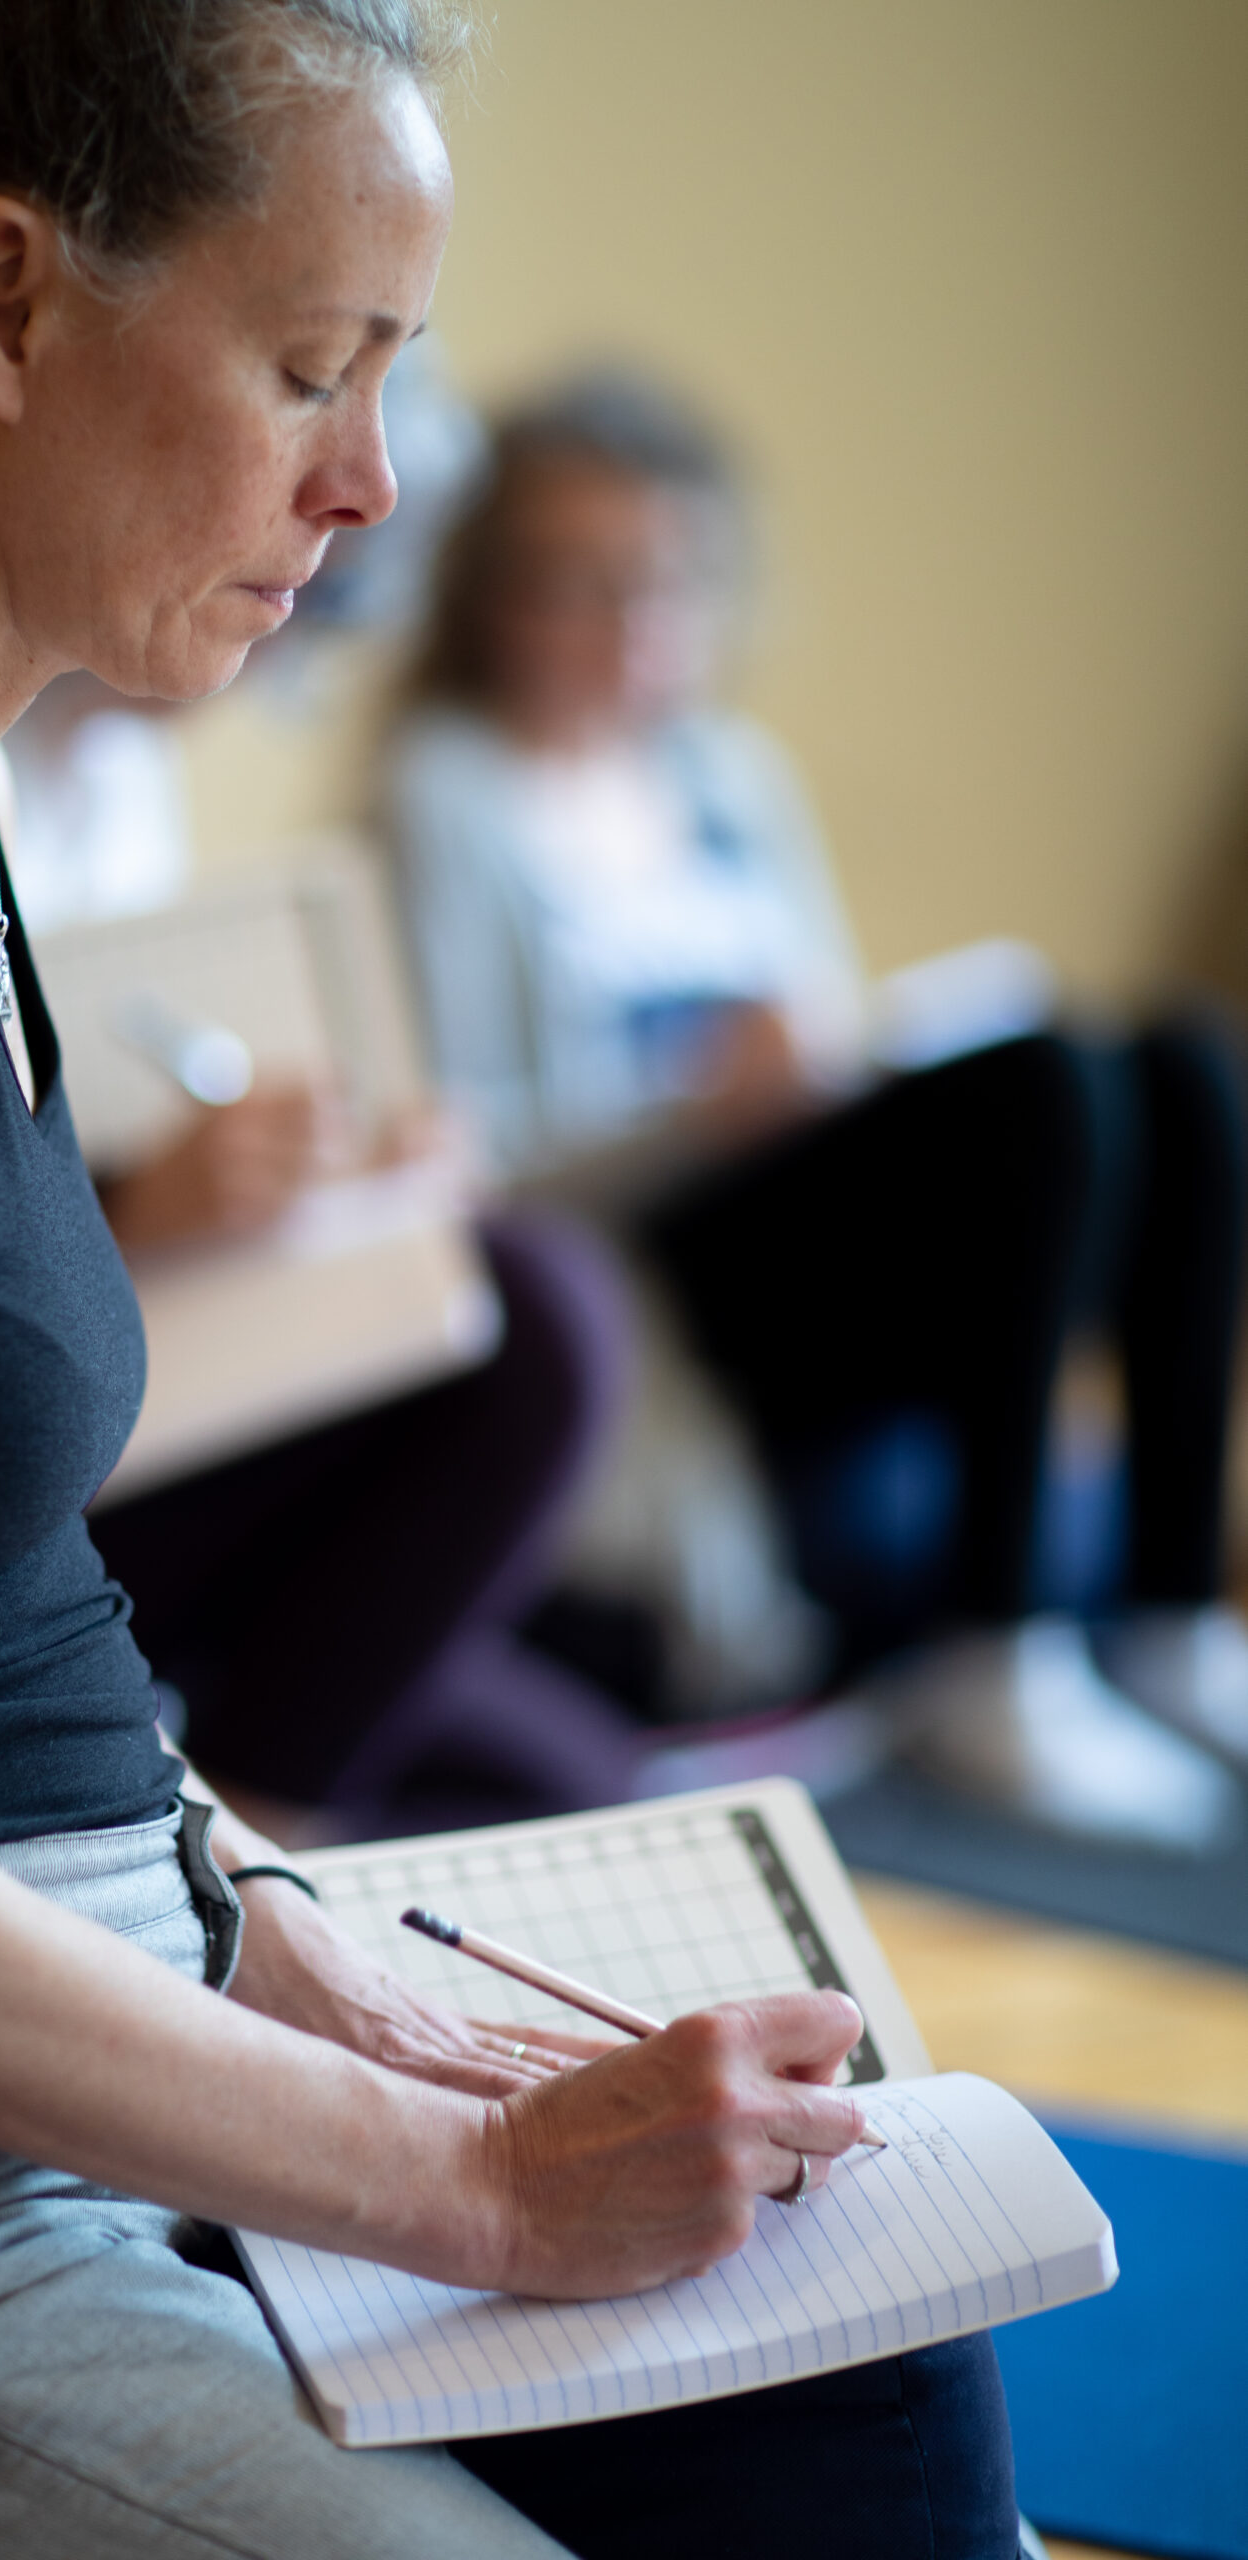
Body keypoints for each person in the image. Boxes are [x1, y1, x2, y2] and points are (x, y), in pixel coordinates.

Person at [0, 6, 1017, 2552]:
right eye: (308, 367)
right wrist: (472, 2188)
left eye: (388, 386)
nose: (362, 487)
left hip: (50, 2034)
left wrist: (275, 1929)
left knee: (870, 2390)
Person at [385, 369, 1248, 1852]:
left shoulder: (726, 777)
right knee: (1040, 1090)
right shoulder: (444, 793)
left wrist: (816, 1072)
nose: (623, 630)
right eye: (572, 587)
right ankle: (998, 1648)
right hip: (664, 1264)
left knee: (1171, 1063)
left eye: (655, 587)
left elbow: (829, 1036)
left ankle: (1173, 1614)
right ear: (490, 598)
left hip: (803, 1208)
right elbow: (481, 1165)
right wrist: (692, 1107)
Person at [0, 671, 655, 1838]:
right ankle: (245, 1865)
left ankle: (242, 1819)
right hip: (40, 1474)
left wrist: (354, 1166)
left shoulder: (116, 778)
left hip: (184, 1392)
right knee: (538, 1311)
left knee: (577, 1795)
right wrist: (133, 1210)